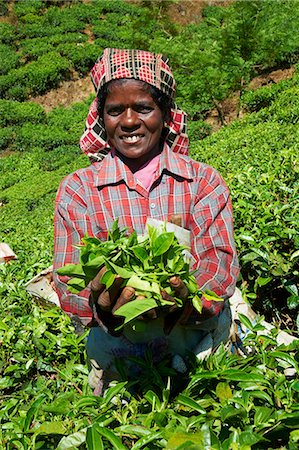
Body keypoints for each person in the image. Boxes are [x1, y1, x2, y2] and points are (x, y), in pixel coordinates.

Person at [53, 48, 240, 394]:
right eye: (114, 111)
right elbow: (68, 280)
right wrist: (99, 307)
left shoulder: (202, 182)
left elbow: (219, 265)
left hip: (200, 352)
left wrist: (186, 299)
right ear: (101, 117)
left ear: (166, 114)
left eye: (142, 108)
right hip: (118, 363)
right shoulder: (79, 191)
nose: (128, 121)